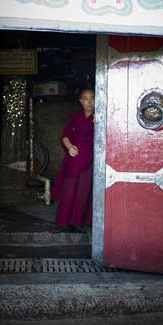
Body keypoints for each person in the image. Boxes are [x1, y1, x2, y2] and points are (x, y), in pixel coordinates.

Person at [51, 88, 95, 227]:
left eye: (93, 98)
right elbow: (65, 136)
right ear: (81, 101)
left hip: (90, 161)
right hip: (74, 159)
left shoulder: (100, 117)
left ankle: (80, 221)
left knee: (84, 191)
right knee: (69, 190)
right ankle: (65, 221)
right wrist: (70, 147)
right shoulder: (76, 117)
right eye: (86, 99)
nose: (90, 102)